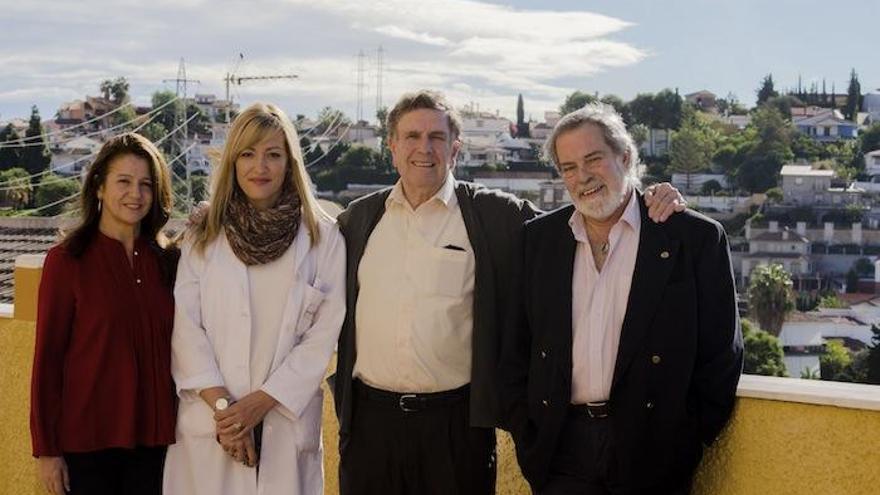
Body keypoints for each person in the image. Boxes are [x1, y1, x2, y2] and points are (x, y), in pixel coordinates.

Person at [333, 90, 687, 495]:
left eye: (437, 137)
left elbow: (588, 213)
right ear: (392, 147)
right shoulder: (358, 219)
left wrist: (653, 197)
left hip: (457, 427)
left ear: (455, 150)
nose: (423, 148)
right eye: (411, 136)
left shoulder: (493, 213)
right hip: (369, 426)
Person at [500, 103, 743, 494]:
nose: (583, 177)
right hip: (561, 451)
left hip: (653, 450)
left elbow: (722, 354)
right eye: (569, 167)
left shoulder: (692, 238)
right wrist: (530, 434)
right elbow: (515, 347)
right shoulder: (538, 241)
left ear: (625, 156)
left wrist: (686, 440)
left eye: (593, 159)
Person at [163, 102, 345, 495]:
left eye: (272, 155)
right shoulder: (203, 234)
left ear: (290, 163)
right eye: (247, 153)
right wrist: (228, 414)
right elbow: (186, 329)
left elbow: (322, 338)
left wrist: (257, 405)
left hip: (283, 420)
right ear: (232, 161)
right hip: (212, 425)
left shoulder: (323, 238)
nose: (259, 166)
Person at [30, 133, 177, 495]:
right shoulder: (67, 262)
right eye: (123, 182)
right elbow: (47, 360)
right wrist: (47, 451)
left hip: (157, 444)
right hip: (86, 447)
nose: (136, 194)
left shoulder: (170, 262)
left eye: (146, 184)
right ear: (98, 187)